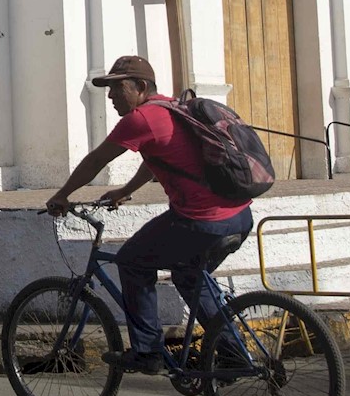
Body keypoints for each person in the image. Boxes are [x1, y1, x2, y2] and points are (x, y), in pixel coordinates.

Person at [44, 56, 254, 374]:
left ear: (141, 87)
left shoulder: (140, 119)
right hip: (239, 216)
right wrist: (127, 189)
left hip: (201, 221)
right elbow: (158, 154)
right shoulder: (176, 109)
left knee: (131, 261)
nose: (112, 96)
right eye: (109, 89)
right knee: (188, 274)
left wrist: (63, 195)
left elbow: (96, 160)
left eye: (118, 88)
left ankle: (147, 351)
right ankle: (231, 352)